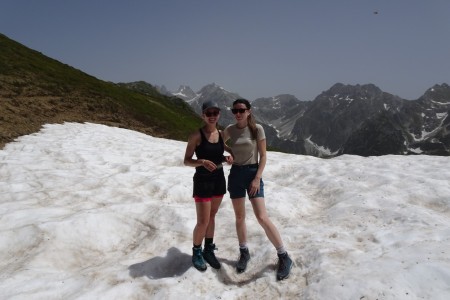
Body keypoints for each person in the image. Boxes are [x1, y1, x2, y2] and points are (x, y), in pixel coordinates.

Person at [223, 98, 293, 281]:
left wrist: (257, 178)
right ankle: (244, 252)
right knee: (239, 217)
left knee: (262, 217)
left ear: (249, 111)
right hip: (236, 174)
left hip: (253, 173)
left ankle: (284, 256)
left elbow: (263, 156)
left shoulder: (257, 129)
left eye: (241, 110)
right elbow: (217, 144)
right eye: (234, 110)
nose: (237, 113)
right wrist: (228, 154)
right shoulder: (230, 130)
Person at [183, 100, 233, 271]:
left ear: (219, 114)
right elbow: (186, 161)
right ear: (203, 115)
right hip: (203, 181)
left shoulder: (220, 134)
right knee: (203, 221)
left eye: (215, 113)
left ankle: (208, 249)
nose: (212, 116)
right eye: (208, 113)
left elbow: (222, 151)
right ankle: (196, 251)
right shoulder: (196, 135)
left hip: (219, 179)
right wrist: (202, 162)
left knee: (212, 216)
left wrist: (228, 157)